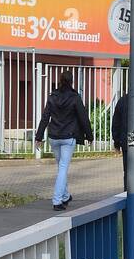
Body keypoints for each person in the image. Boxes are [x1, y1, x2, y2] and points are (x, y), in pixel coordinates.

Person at [35, 68, 93, 209]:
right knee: (63, 167)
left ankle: (66, 195)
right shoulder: (75, 98)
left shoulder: (52, 97)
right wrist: (89, 136)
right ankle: (57, 200)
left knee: (61, 167)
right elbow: (83, 118)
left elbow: (45, 118)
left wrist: (38, 137)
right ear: (72, 81)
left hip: (54, 137)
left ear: (60, 81)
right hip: (68, 137)